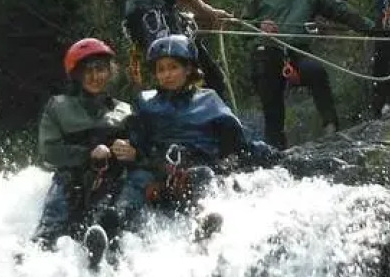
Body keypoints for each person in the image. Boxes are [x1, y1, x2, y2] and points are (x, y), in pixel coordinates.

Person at [115, 34, 278, 231]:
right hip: (157, 170)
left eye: (173, 67)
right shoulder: (146, 103)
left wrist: (268, 154)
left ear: (188, 69)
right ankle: (115, 223)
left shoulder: (209, 100)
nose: (166, 75)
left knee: (203, 175)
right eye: (161, 69)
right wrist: (131, 150)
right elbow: (137, 140)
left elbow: (237, 140)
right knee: (137, 178)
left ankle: (204, 220)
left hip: (195, 168)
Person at [242, 0, 374, 147]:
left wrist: (371, 28)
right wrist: (258, 26)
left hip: (298, 51)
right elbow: (242, 28)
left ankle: (330, 126)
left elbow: (339, 10)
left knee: (316, 71)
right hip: (267, 53)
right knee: (271, 104)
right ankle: (276, 149)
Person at [32, 37, 138, 261]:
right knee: (64, 186)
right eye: (87, 71)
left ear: (109, 72)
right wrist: (87, 153)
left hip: (112, 178)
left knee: (120, 195)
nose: (94, 77)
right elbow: (49, 153)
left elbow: (142, 149)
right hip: (72, 178)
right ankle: (42, 243)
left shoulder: (125, 111)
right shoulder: (58, 107)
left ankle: (102, 244)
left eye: (100, 69)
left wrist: (131, 150)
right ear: (77, 76)